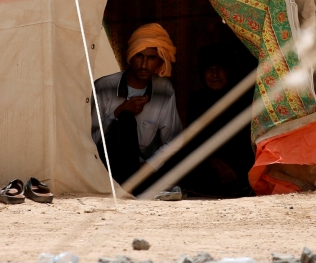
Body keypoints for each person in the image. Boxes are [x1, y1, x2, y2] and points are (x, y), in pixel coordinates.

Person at [91, 23, 182, 184]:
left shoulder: (164, 90)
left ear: (160, 61)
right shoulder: (104, 87)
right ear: (131, 56)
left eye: (151, 58)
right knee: (125, 120)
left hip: (143, 170)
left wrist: (146, 167)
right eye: (140, 56)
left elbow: (174, 140)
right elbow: (89, 139)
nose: (144, 65)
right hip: (106, 169)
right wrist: (118, 111)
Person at [181, 43, 255, 198]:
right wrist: (214, 162)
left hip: (239, 164)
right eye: (209, 70)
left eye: (219, 68)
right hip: (208, 164)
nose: (214, 75)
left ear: (229, 71)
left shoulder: (243, 99)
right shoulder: (197, 100)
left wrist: (230, 166)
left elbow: (245, 140)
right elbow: (193, 140)